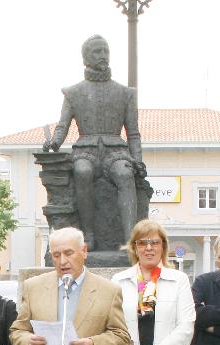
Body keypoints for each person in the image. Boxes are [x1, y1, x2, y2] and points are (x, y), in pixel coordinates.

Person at [43, 35, 144, 250]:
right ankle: (87, 234)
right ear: (86, 57)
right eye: (97, 52)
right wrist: (54, 143)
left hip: (116, 151)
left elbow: (133, 134)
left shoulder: (125, 93)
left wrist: (138, 161)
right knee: (82, 171)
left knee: (125, 174)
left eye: (105, 51)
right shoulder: (73, 92)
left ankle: (129, 239)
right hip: (85, 151)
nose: (102, 56)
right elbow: (62, 126)